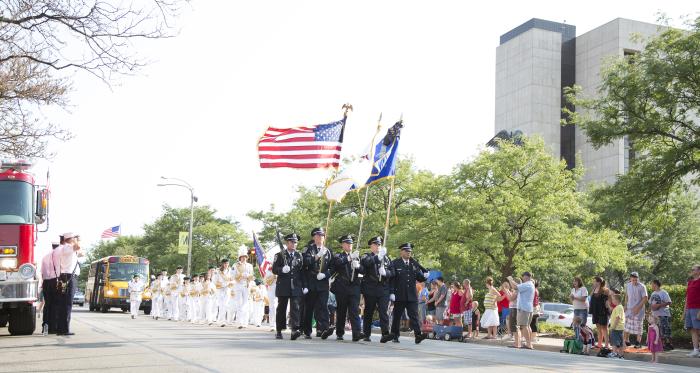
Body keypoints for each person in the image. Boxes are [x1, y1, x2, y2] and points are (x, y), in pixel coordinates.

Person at [389, 242, 428, 344]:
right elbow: (392, 279)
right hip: (399, 294)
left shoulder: (414, 264)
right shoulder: (395, 263)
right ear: (401, 252)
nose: (408, 253)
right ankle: (395, 335)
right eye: (406, 251)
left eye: (410, 251)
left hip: (411, 295)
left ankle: (418, 335)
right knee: (397, 316)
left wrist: (425, 276)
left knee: (414, 316)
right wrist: (392, 292)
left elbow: (419, 278)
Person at [360, 236, 395, 343]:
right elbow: (366, 264)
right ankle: (366, 334)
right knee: (369, 312)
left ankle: (385, 334)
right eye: (375, 244)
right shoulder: (366, 256)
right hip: (370, 288)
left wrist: (386, 273)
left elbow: (393, 273)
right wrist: (377, 258)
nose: (378, 246)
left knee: (384, 311)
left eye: (379, 244)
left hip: (383, 288)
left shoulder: (387, 258)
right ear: (371, 246)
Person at [301, 227, 334, 339]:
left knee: (323, 306)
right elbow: (305, 262)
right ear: (314, 237)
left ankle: (323, 329)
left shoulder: (328, 251)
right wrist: (317, 256)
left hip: (323, 283)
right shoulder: (308, 249)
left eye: (322, 236)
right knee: (309, 307)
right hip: (311, 281)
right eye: (318, 235)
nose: (321, 237)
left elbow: (333, 267)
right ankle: (307, 330)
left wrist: (326, 275)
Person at [272, 233, 305, 340]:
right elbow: (274, 269)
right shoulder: (279, 255)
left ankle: (294, 330)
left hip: (296, 285)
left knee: (295, 308)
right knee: (282, 308)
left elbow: (302, 272)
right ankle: (279, 330)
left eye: (295, 242)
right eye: (292, 242)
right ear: (287, 243)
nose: (294, 244)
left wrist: (304, 285)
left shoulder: (299, 255)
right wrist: (282, 270)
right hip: (283, 285)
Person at [331, 234, 364, 341]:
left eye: (351, 243)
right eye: (347, 243)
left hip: (354, 286)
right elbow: (338, 264)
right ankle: (340, 332)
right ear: (343, 245)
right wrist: (349, 258)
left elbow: (363, 271)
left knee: (354, 311)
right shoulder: (338, 256)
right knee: (341, 311)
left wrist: (358, 266)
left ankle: (356, 333)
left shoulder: (357, 256)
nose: (350, 245)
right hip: (342, 286)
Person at [53, 232, 83, 336]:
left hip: (66, 276)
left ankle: (61, 328)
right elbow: (78, 246)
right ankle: (64, 329)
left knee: (64, 303)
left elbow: (81, 252)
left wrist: (76, 240)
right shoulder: (67, 248)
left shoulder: (67, 249)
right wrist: (78, 240)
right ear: (70, 239)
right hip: (69, 277)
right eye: (73, 238)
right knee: (67, 304)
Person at [507, 272, 535, 349]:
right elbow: (517, 286)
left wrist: (510, 280)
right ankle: (529, 343)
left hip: (524, 308)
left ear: (525, 277)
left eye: (523, 277)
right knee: (527, 326)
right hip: (528, 308)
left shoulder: (527, 284)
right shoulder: (529, 284)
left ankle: (529, 344)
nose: (522, 278)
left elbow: (515, 287)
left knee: (524, 326)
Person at [40, 240, 60, 335]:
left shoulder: (45, 257)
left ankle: (45, 326)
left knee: (47, 305)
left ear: (52, 246)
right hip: (55, 281)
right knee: (55, 305)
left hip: (46, 282)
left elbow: (42, 272)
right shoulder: (58, 256)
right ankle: (53, 327)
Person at [623, 271, 648, 348]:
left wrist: (638, 307)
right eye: (633, 279)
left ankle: (638, 342)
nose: (634, 281)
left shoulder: (642, 286)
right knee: (627, 325)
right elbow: (626, 296)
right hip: (629, 309)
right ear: (630, 279)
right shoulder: (628, 285)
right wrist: (625, 305)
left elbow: (645, 298)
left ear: (638, 278)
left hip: (639, 310)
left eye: (636, 279)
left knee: (638, 326)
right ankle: (626, 341)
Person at [233, 246, 255, 328]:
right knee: (239, 303)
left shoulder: (249, 265)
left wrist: (249, 277)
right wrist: (241, 275)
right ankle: (239, 322)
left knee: (245, 304)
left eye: (245, 257)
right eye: (242, 257)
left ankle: (245, 322)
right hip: (238, 284)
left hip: (246, 285)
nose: (244, 258)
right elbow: (233, 275)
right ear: (240, 257)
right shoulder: (235, 265)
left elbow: (252, 275)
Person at [649, 279, 673, 351]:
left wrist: (659, 305)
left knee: (665, 330)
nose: (651, 286)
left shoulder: (664, 293)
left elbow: (669, 302)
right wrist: (650, 311)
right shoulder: (653, 293)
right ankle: (660, 344)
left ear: (655, 284)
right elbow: (651, 303)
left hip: (663, 314)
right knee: (658, 330)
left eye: (652, 284)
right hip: (655, 315)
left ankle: (668, 344)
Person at [589, 276, 610, 349]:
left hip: (603, 312)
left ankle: (607, 345)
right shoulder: (594, 289)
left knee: (604, 328)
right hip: (595, 311)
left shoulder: (605, 290)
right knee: (598, 328)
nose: (593, 283)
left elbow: (608, 301)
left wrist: (609, 311)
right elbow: (591, 297)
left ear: (599, 282)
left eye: (594, 281)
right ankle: (599, 344)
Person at [685, 264, 700, 357]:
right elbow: (687, 297)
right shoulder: (690, 282)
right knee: (693, 329)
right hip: (689, 309)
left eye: (694, 269)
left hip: (697, 308)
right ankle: (695, 350)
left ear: (699, 271)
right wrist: (684, 312)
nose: (692, 270)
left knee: (699, 330)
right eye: (692, 269)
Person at [213, 258, 232, 326]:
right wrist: (223, 284)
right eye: (224, 263)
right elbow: (214, 280)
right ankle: (221, 320)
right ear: (222, 264)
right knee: (221, 305)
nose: (226, 265)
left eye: (227, 263)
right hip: (220, 289)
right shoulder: (217, 271)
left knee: (225, 305)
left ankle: (221, 320)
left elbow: (232, 279)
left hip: (227, 289)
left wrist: (230, 283)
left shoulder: (230, 270)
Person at [609, 293, 625, 359]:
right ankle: (621, 355)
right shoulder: (620, 307)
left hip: (616, 328)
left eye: (613, 299)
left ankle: (614, 353)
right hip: (620, 328)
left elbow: (618, 317)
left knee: (614, 341)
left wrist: (613, 326)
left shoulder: (618, 307)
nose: (612, 301)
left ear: (617, 300)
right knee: (620, 342)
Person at [264, 266, 277, 331]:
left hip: (281, 289)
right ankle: (272, 325)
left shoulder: (282, 268)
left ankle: (280, 324)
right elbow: (266, 281)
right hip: (271, 290)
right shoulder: (269, 271)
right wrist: (273, 276)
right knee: (273, 307)